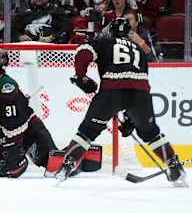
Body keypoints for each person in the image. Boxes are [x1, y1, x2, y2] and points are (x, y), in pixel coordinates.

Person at [54, 17, 188, 186]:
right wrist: (131, 117)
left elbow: (83, 52)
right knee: (151, 133)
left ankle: (66, 166)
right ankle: (174, 165)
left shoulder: (104, 42)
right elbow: (139, 81)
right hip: (140, 94)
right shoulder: (139, 50)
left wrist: (81, 76)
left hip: (111, 90)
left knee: (87, 132)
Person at [0, 48, 58, 178]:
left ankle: (75, 157)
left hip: (30, 133)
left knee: (52, 165)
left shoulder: (7, 86)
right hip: (8, 136)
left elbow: (15, 122)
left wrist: (12, 147)